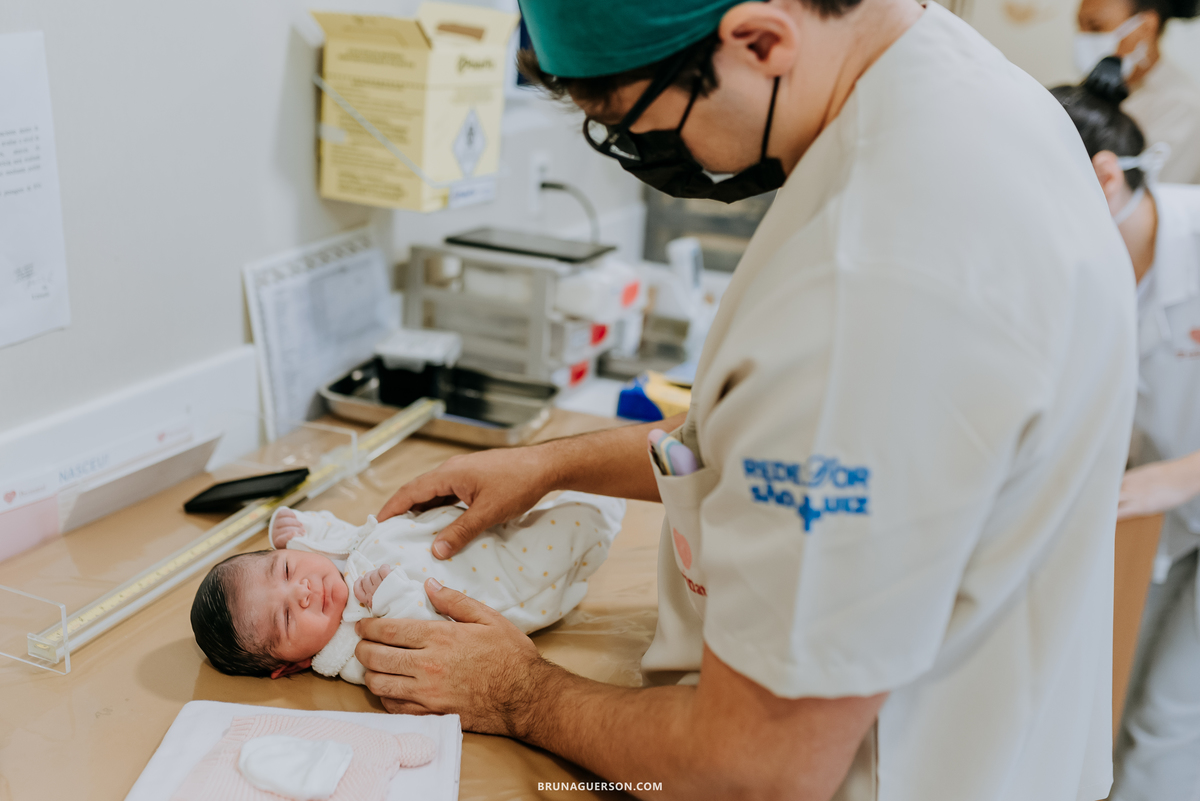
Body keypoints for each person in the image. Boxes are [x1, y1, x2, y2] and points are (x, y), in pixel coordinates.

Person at [353, 1, 1137, 798]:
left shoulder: (872, 282)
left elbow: (752, 769)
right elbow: (777, 441)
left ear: (761, 40)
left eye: (635, 123)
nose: (651, 155)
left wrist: (520, 694)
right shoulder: (965, 90)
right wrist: (553, 464)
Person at [1054, 61, 1200, 801]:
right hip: (1151, 521)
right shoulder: (1079, 266)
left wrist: (1166, 479)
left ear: (1105, 179)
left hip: (1168, 494)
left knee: (1166, 732)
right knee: (1105, 703)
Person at [189, 494, 622, 683]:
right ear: (293, 665)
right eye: (286, 617)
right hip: (504, 579)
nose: (301, 590)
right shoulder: (351, 649)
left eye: (283, 569)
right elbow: (430, 649)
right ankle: (602, 513)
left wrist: (303, 528)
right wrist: (393, 600)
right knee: (579, 524)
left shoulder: (327, 564)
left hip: (469, 528)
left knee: (542, 498)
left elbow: (343, 534)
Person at [1075, 0, 1200, 183]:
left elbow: (1140, 196)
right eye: (1079, 26)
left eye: (1095, 27)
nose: (1082, 38)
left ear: (1146, 27)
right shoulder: (1086, 91)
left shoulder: (1183, 106)